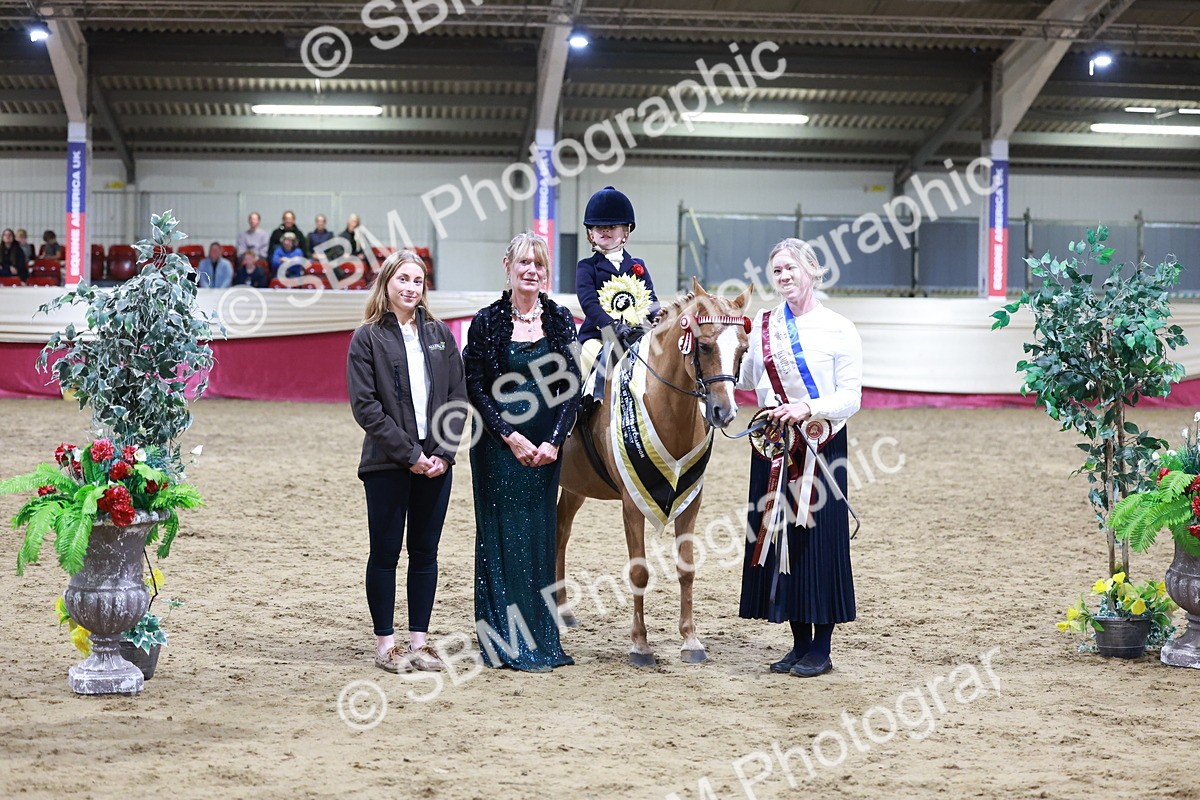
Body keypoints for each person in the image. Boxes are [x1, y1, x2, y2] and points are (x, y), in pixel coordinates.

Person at [737, 238, 862, 679]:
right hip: (773, 444)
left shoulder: (839, 328)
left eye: (791, 268)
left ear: (812, 269)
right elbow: (748, 378)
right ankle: (798, 644)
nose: (785, 277)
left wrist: (809, 408)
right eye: (777, 271)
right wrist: (738, 341)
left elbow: (851, 397)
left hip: (820, 444)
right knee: (778, 539)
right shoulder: (766, 325)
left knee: (818, 541)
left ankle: (821, 648)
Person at [465, 231, 581, 672]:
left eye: (539, 264)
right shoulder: (488, 320)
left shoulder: (560, 320)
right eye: (524, 263)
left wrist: (554, 441)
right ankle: (500, 641)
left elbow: (572, 385)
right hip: (498, 448)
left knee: (537, 538)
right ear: (508, 267)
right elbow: (476, 385)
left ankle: (539, 636)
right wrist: (510, 437)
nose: (531, 271)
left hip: (546, 452)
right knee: (499, 537)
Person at [347, 250, 467, 674]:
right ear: (387, 283)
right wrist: (411, 455)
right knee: (384, 553)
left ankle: (420, 642)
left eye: (418, 281)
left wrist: (442, 454)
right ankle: (386, 645)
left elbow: (458, 397)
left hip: (436, 463)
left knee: (425, 553)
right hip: (387, 463)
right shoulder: (367, 337)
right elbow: (366, 407)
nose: (411, 287)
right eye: (403, 280)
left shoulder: (439, 334)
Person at [575, 186, 659, 378]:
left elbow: (650, 299)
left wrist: (659, 317)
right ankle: (583, 405)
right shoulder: (587, 267)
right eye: (599, 227)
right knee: (586, 362)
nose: (605, 230)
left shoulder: (638, 266)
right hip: (598, 337)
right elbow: (589, 304)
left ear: (626, 231)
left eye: (612, 226)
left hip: (637, 334)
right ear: (591, 234)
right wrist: (612, 325)